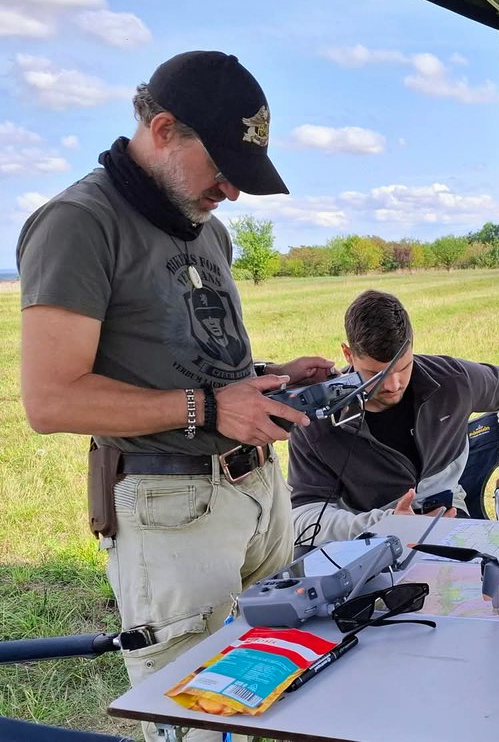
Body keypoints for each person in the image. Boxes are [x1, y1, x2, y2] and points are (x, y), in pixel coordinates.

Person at [17, 51, 334, 742]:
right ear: (163, 130)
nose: (232, 192)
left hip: (255, 493)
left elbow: (198, 358)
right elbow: (51, 400)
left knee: (280, 691)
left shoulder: (205, 227)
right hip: (170, 510)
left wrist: (270, 379)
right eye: (222, 168)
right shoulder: (79, 222)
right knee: (200, 718)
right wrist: (209, 409)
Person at [289, 289, 499, 544]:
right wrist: (386, 524)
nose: (393, 385)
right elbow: (303, 517)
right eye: (376, 374)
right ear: (348, 354)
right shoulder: (316, 420)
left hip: (450, 517)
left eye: (404, 367)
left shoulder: (452, 380)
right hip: (366, 542)